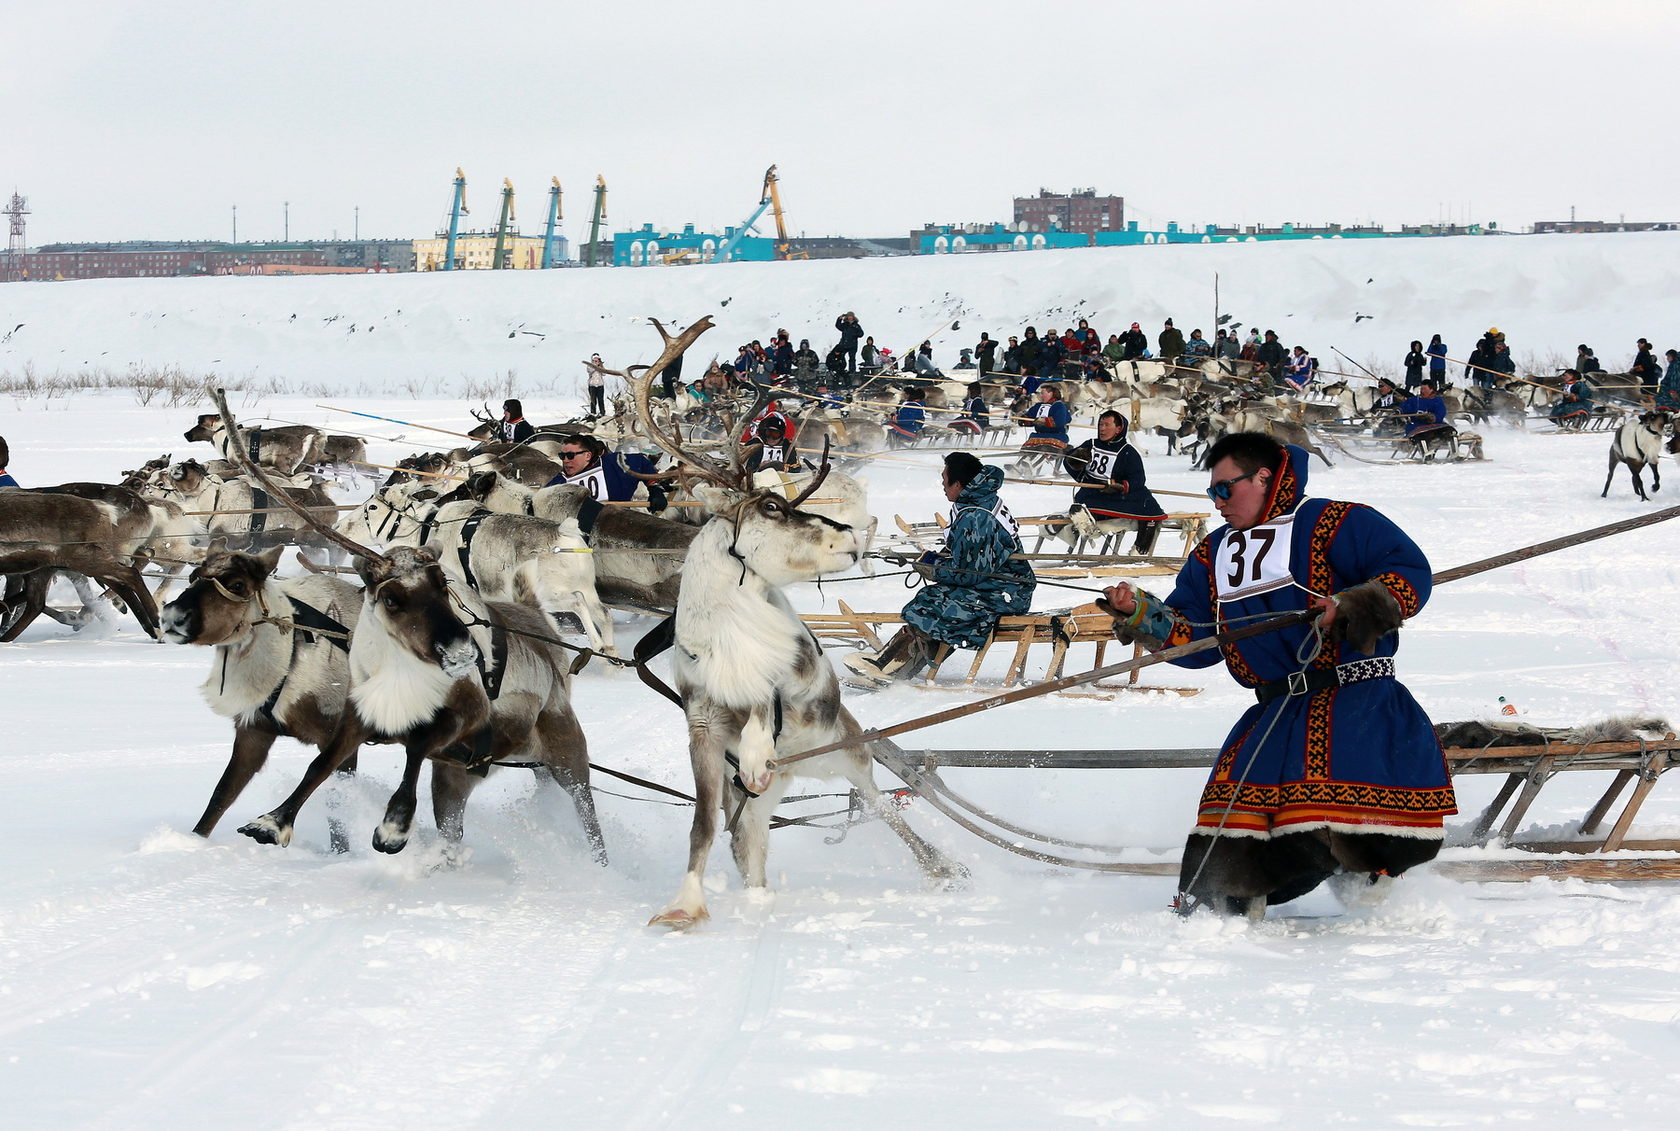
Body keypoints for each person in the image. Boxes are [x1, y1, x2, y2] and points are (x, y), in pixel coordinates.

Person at [1099, 432, 1455, 915]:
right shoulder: (1213, 554)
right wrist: (1141, 612)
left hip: (1355, 701)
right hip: (1274, 709)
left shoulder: (1333, 522)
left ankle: (1372, 890)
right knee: (1234, 820)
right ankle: (1231, 903)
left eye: (1226, 488)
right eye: (1212, 492)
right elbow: (1197, 639)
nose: (1218, 502)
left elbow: (1409, 573)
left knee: (1331, 816)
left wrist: (1350, 604)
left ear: (1264, 477)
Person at [842, 454, 1035, 688]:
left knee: (934, 603)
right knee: (932, 599)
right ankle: (890, 661)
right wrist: (940, 558)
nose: (942, 485)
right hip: (1000, 584)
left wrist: (934, 570)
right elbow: (971, 555)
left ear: (959, 484)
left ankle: (894, 667)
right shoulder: (980, 500)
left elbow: (972, 575)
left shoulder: (975, 516)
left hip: (1006, 592)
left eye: (945, 480)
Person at [1061, 411, 1167, 552]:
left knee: (1150, 508)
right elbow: (1070, 463)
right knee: (1148, 505)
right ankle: (1087, 520)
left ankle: (1140, 551)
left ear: (1118, 429)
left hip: (1116, 496)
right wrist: (1074, 460)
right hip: (1091, 494)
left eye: (1106, 425)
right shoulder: (1090, 444)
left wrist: (1121, 487)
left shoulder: (1128, 452)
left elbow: (1138, 479)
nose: (1102, 428)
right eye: (1100, 424)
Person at [546, 433, 668, 510]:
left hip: (620, 523)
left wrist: (655, 489)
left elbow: (642, 463)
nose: (566, 461)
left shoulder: (613, 464)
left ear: (587, 455)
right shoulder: (561, 481)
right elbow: (543, 498)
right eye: (562, 456)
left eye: (571, 456)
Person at [1021, 384, 1071, 453]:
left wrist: (1044, 421)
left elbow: (1059, 421)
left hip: (1055, 436)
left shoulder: (1059, 405)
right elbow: (1030, 416)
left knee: (1044, 449)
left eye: (1042, 393)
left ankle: (1032, 461)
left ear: (1051, 393)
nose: (1041, 395)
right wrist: (1024, 420)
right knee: (1027, 450)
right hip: (1038, 436)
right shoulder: (1038, 406)